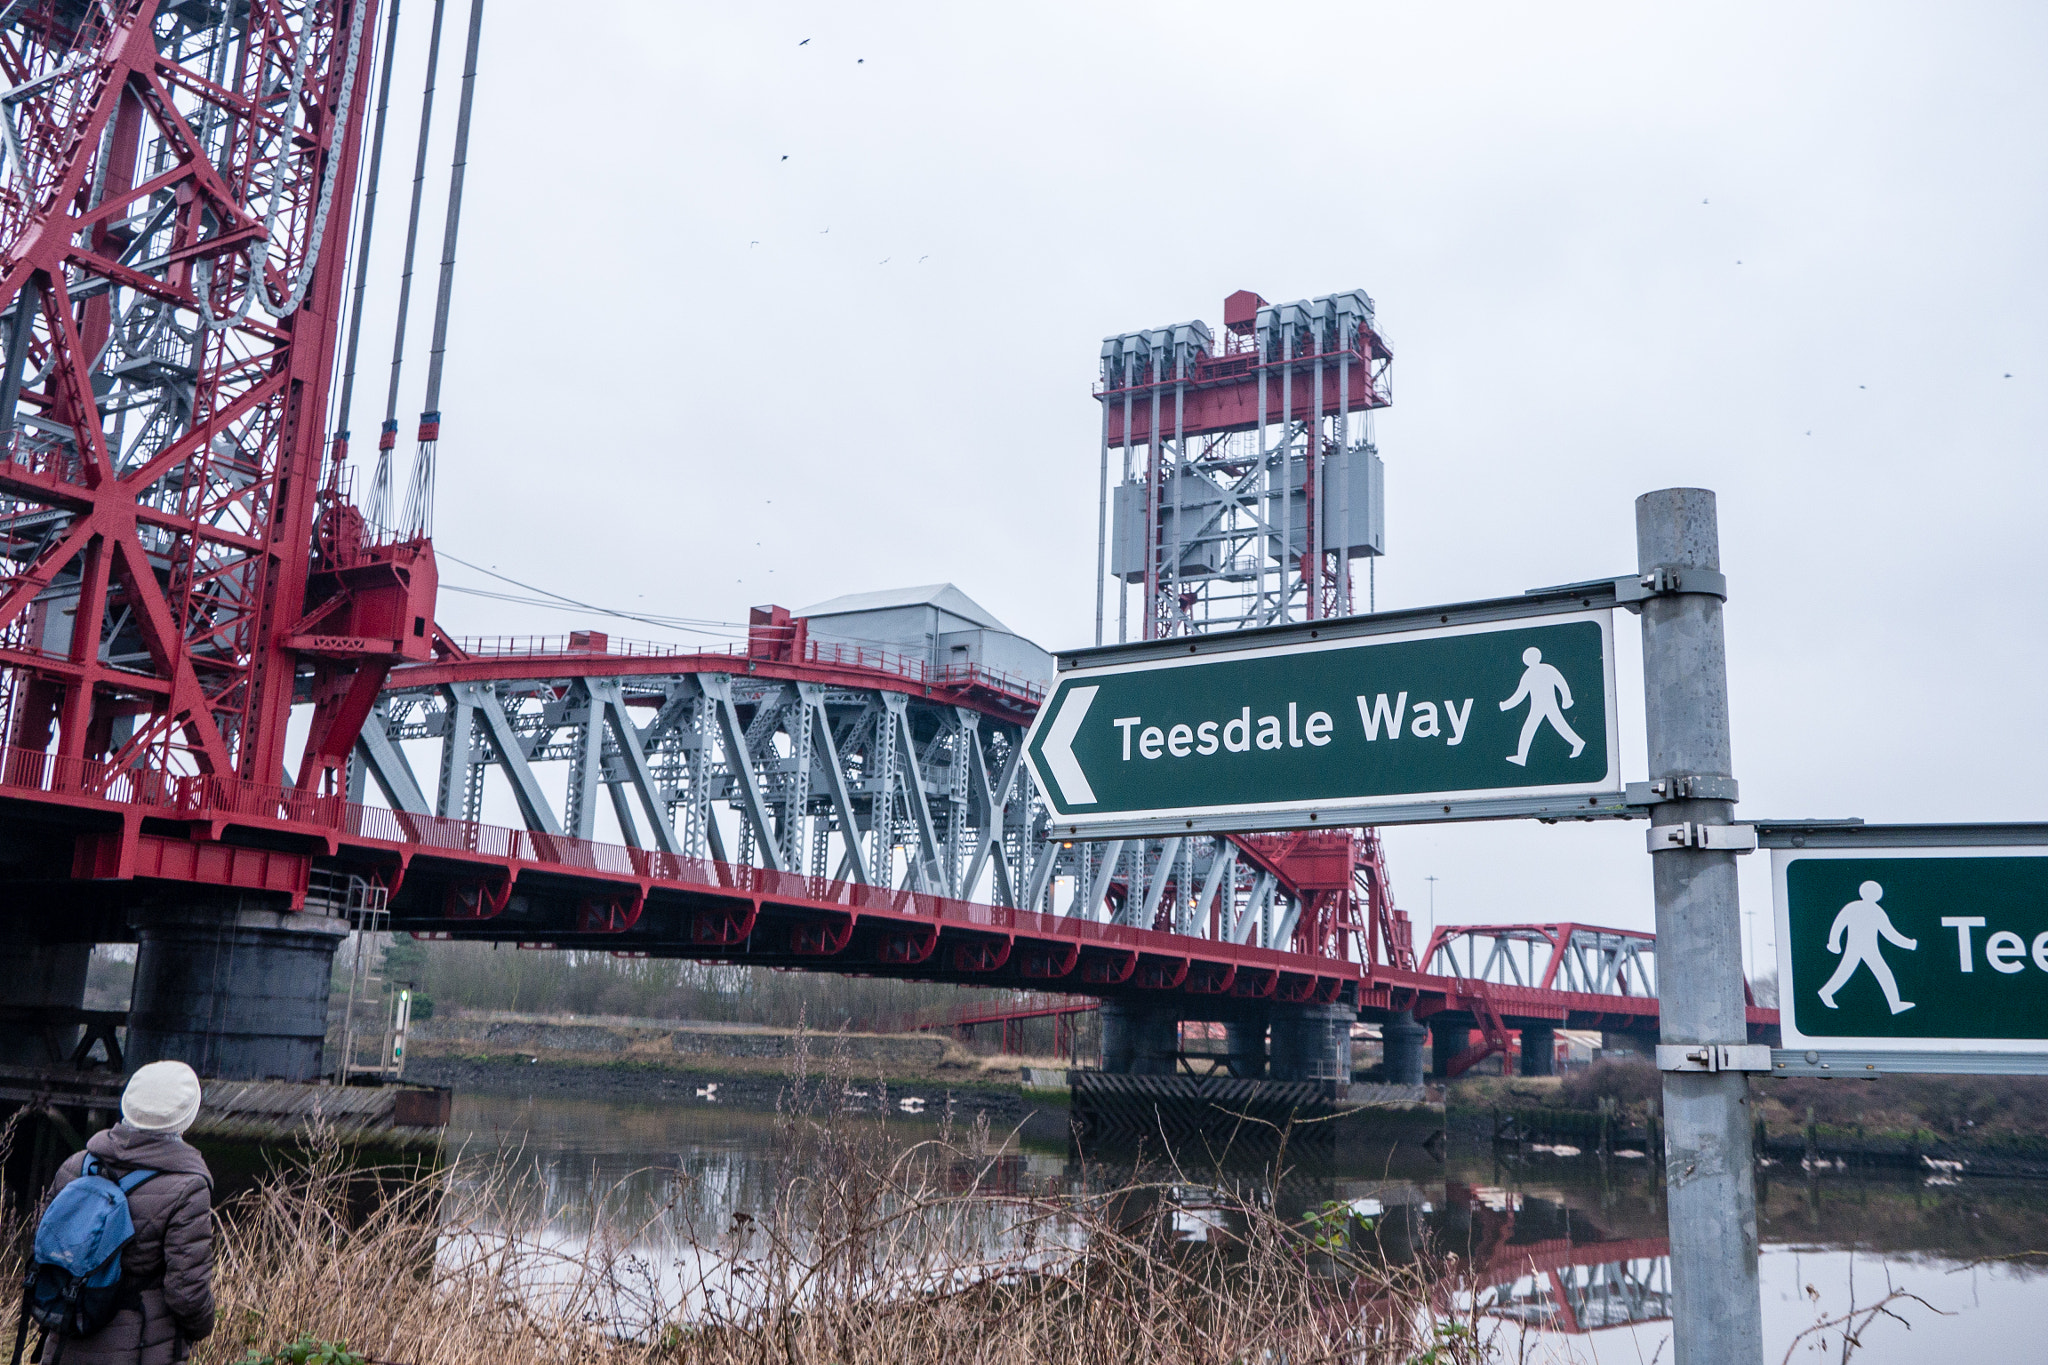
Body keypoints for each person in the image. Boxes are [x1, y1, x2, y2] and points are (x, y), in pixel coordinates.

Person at [39, 1062, 215, 1365]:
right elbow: (187, 1293)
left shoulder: (77, 1166)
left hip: (67, 1339)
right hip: (142, 1348)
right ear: (186, 1116)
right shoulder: (188, 1187)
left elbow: (44, 1251)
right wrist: (200, 1328)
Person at [1818, 880, 1918, 1014]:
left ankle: (1895, 1004)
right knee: (1876, 973)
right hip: (1859, 948)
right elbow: (1839, 924)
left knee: (1856, 972)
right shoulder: (1862, 909)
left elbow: (1889, 933)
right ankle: (1895, 1004)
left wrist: (1908, 944)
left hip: (1868, 949)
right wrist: (1834, 942)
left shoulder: (1872, 910)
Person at [1500, 646, 1587, 766]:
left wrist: (1567, 698)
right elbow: (1520, 694)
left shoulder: (1540, 671)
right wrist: (1506, 705)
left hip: (1546, 704)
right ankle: (1577, 743)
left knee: (1536, 728)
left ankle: (1577, 743)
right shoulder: (1536, 672)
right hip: (1539, 706)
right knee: (1548, 726)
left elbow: (1560, 683)